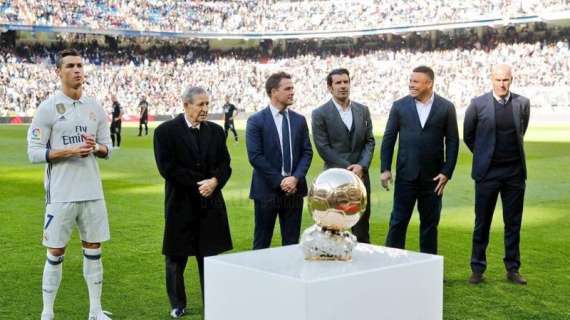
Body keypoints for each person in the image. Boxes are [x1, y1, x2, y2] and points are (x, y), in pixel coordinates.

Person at [27, 48, 113, 320]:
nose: (78, 70)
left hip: (92, 191)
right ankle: (48, 312)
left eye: (80, 65)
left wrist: (96, 147)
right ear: (59, 72)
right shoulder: (48, 107)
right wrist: (66, 152)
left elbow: (108, 148)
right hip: (61, 194)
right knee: (55, 250)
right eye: (71, 66)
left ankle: (95, 310)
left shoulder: (94, 107)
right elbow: (33, 152)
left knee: (94, 249)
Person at [153, 86, 233, 318]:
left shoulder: (217, 132)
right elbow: (167, 168)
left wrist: (215, 181)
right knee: (175, 257)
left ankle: (212, 300)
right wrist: (202, 184)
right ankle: (177, 304)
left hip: (211, 204)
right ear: (186, 105)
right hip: (181, 204)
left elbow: (225, 164)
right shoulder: (165, 132)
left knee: (208, 256)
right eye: (201, 104)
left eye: (207, 104)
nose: (205, 109)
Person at [380, 65, 459, 254]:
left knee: (430, 225)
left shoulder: (446, 107)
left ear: (429, 83)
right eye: (410, 81)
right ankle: (391, 264)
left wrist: (447, 172)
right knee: (398, 222)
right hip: (406, 176)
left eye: (416, 81)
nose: (411, 84)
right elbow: (389, 138)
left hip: (434, 180)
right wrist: (385, 168)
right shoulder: (399, 106)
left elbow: (453, 141)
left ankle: (428, 270)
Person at [464, 64, 530, 285]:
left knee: (513, 223)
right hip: (487, 174)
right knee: (482, 222)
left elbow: (522, 129)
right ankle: (477, 268)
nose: (502, 84)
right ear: (491, 80)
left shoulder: (522, 103)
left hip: (514, 174)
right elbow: (468, 135)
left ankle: (512, 269)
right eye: (498, 80)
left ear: (511, 80)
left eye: (506, 80)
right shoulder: (477, 104)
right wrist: (484, 155)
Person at [246, 71, 313, 250]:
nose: (292, 92)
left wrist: (295, 178)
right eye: (288, 88)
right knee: (262, 241)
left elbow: (307, 152)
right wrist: (280, 180)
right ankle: (259, 278)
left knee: (291, 243)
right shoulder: (256, 120)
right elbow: (255, 156)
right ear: (274, 92)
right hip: (267, 190)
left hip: (294, 190)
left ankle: (289, 278)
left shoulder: (299, 120)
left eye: (293, 88)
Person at [311, 68, 375, 243]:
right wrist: (349, 170)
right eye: (338, 83)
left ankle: (363, 265)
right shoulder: (320, 114)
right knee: (333, 225)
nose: (343, 86)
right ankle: (331, 265)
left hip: (361, 177)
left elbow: (370, 141)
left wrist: (362, 165)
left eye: (346, 82)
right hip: (334, 181)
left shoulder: (363, 110)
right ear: (329, 88)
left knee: (362, 226)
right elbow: (323, 148)